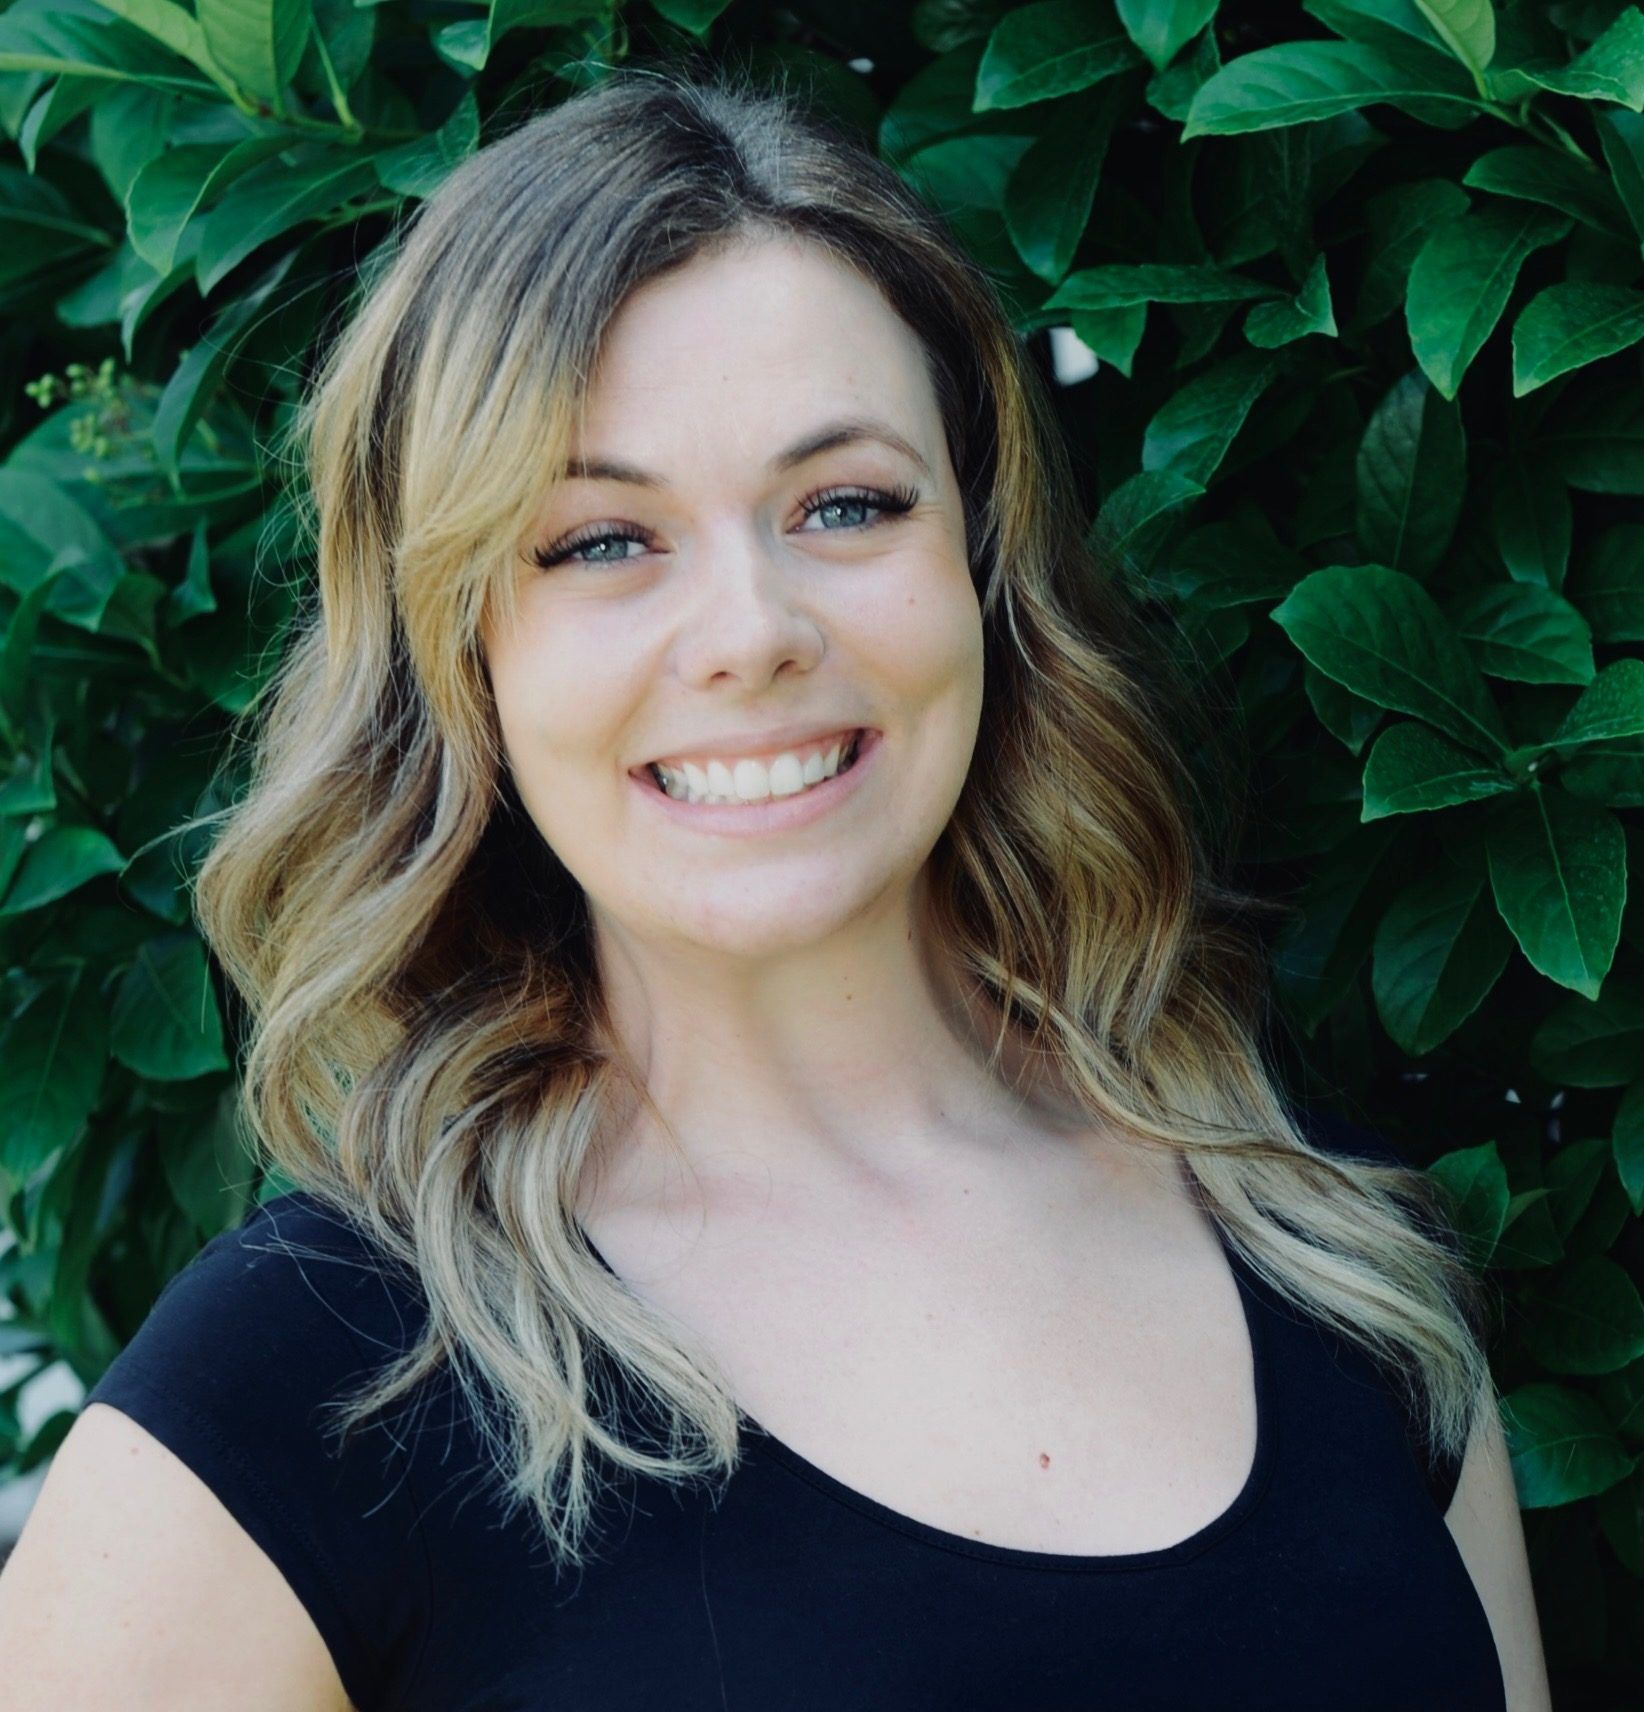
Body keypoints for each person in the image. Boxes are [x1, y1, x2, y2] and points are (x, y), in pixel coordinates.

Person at [0, 67, 1550, 1712]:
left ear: (983, 569)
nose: (753, 631)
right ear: (460, 654)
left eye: (848, 505)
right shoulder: (302, 1393)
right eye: (601, 540)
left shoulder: (1331, 1246)